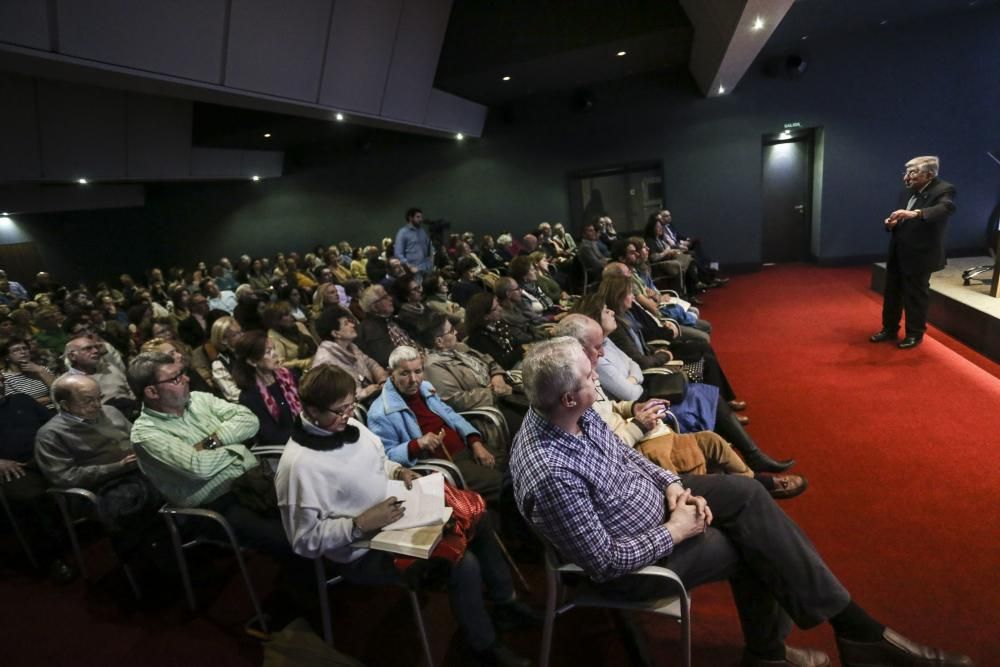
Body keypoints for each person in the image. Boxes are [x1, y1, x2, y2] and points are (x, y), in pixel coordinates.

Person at [510, 337, 972, 667]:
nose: (601, 382)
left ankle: (848, 632)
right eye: (594, 377)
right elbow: (605, 562)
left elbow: (630, 462)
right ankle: (814, 644)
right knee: (750, 545)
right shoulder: (552, 472)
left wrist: (672, 485)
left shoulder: (572, 413)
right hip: (635, 563)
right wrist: (677, 528)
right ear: (570, 396)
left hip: (657, 507)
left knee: (749, 495)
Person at [274, 364, 533, 667]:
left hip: (395, 512)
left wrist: (396, 469)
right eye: (339, 411)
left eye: (350, 407)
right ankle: (483, 647)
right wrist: (358, 524)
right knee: (461, 562)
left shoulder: (349, 427)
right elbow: (303, 541)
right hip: (363, 548)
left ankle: (505, 603)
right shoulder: (298, 467)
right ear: (310, 410)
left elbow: (378, 460)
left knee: (477, 516)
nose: (347, 416)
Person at [127, 352, 289, 555]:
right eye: (176, 378)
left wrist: (213, 442)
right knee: (288, 537)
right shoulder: (146, 434)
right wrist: (237, 447)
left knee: (316, 510)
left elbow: (250, 420)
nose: (186, 379)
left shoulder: (198, 399)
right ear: (152, 392)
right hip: (216, 504)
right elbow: (198, 468)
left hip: (254, 478)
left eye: (183, 373)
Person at [367, 346, 506, 504]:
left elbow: (451, 415)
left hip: (466, 448)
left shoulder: (425, 387)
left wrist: (475, 442)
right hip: (446, 465)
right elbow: (386, 457)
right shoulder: (380, 412)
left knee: (512, 466)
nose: (414, 380)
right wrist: (417, 444)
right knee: (504, 484)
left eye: (418, 371)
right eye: (405, 373)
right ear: (391, 372)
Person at [871, 156, 957, 349]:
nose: (907, 177)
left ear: (929, 174)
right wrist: (892, 224)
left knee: (915, 296)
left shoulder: (944, 189)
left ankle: (914, 335)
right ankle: (889, 329)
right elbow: (902, 219)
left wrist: (916, 213)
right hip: (898, 251)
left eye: (913, 173)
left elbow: (946, 208)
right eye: (906, 172)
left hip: (921, 254)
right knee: (892, 292)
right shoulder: (907, 191)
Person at [232, 332, 303, 446]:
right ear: (252, 361)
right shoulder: (250, 397)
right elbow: (271, 436)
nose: (275, 354)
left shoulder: (288, 376)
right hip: (287, 447)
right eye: (268, 352)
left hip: (307, 433)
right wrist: (305, 435)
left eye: (273, 349)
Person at [310, 306, 387, 403]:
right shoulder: (325, 361)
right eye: (346, 323)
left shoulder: (352, 347)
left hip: (372, 399)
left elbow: (371, 364)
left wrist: (383, 380)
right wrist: (364, 393)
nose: (352, 325)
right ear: (335, 333)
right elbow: (333, 397)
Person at [1, 336, 56, 409]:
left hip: (57, 409)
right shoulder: (4, 378)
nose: (23, 352)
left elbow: (60, 391)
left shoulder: (41, 369)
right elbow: (18, 404)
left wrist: (40, 371)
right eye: (16, 350)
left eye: (25, 348)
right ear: (7, 356)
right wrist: (50, 398)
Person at [393, 207, 433, 275]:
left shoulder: (422, 231)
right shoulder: (403, 232)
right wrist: (409, 266)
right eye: (418, 217)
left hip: (425, 269)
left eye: (421, 217)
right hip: (412, 270)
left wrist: (430, 263)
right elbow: (398, 253)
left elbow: (429, 248)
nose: (421, 219)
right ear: (410, 218)